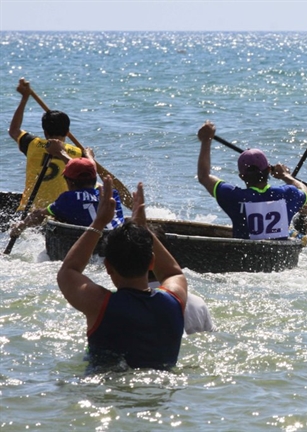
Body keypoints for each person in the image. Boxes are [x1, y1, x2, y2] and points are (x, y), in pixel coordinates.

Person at [56, 177, 188, 370]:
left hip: (107, 392)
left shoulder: (99, 304)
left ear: (108, 267)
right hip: (159, 395)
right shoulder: (174, 300)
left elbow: (69, 270)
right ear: (151, 262)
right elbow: (172, 272)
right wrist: (142, 228)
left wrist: (99, 222)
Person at [197, 121, 307, 240]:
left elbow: (204, 176)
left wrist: (206, 140)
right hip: (278, 257)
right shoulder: (287, 194)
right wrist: (286, 176)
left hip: (244, 256)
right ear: (268, 170)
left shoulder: (233, 196)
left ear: (241, 176)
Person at [8, 78, 84, 211]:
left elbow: (13, 130)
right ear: (67, 132)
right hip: (58, 212)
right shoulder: (77, 154)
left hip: (28, 210)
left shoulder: (32, 144)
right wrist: (88, 156)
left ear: (45, 132)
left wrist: (24, 98)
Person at [9, 153, 124, 238]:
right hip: (115, 241)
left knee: (54, 216)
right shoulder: (112, 194)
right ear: (94, 178)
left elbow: (38, 215)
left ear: (69, 182)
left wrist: (22, 226)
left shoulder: (67, 199)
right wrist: (88, 155)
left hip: (89, 245)